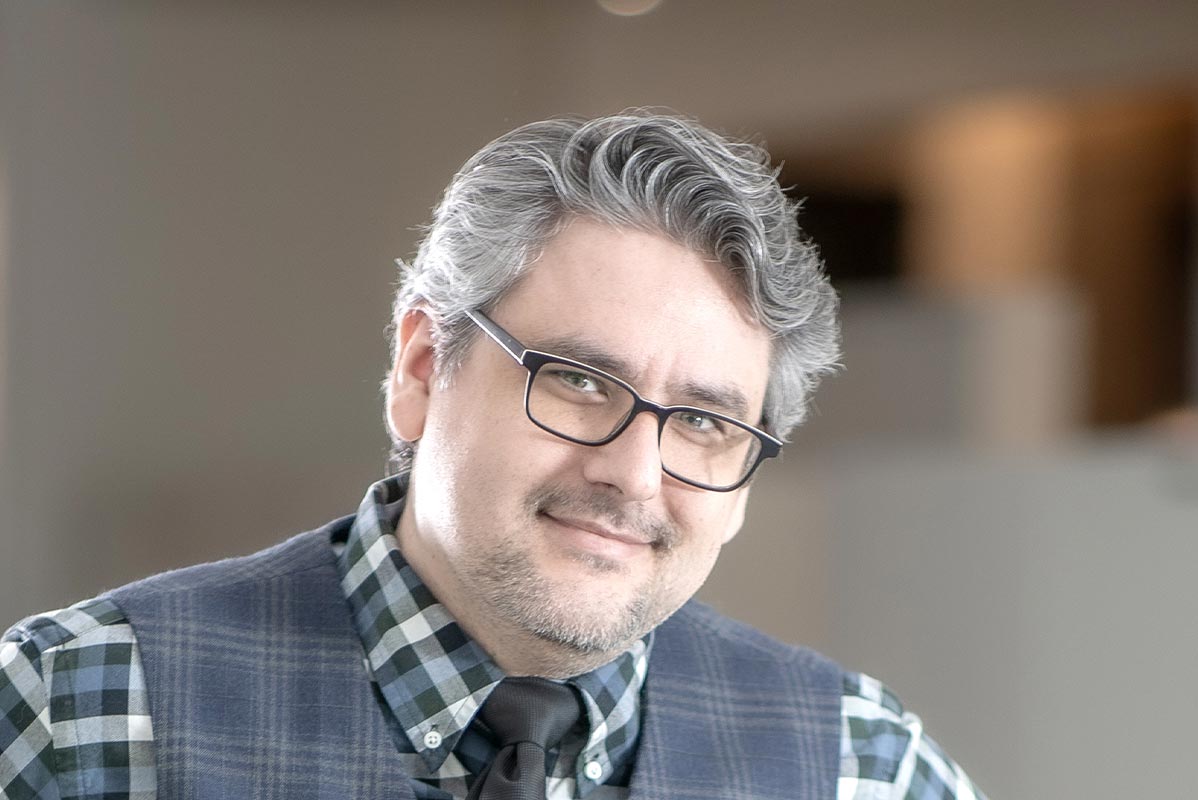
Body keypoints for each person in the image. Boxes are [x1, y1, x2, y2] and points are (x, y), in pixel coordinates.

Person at [1, 112, 986, 799]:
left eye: (703, 423)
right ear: (425, 366)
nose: (634, 475)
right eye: (581, 381)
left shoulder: (862, 767)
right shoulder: (73, 715)